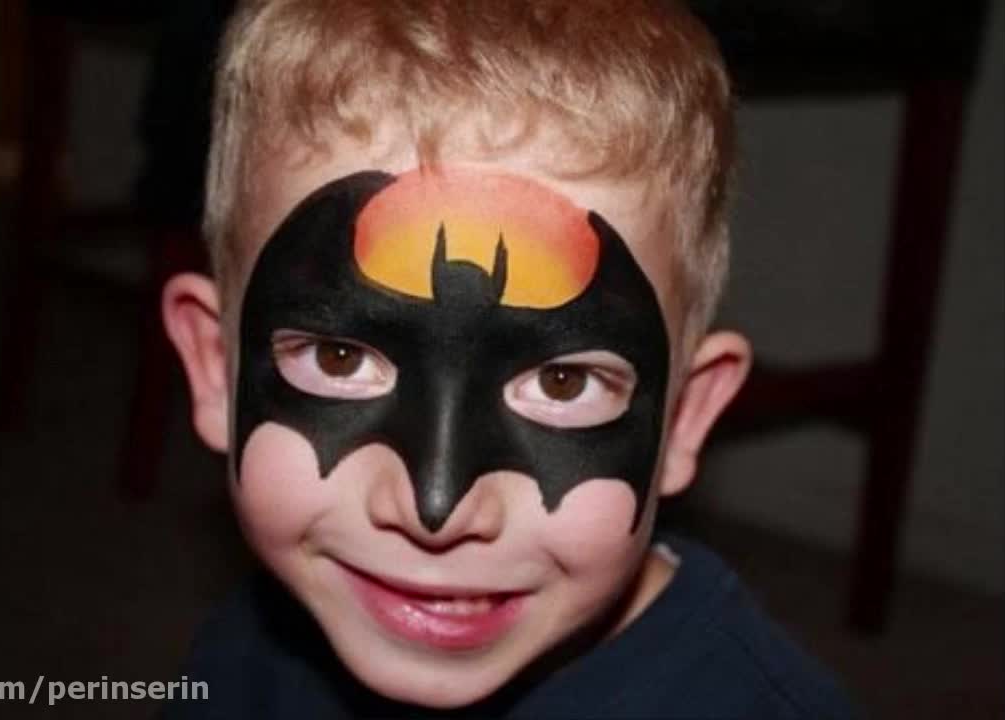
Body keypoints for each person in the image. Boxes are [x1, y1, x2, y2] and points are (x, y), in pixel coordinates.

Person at [161, 1, 857, 716]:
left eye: (564, 381)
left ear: (685, 418)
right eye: (340, 358)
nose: (437, 508)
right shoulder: (247, 651)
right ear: (215, 367)